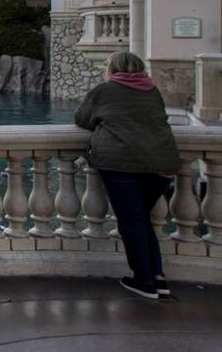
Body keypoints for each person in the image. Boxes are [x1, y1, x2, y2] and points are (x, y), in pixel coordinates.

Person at [75, 51, 180, 300]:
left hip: (122, 164)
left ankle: (143, 281)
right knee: (142, 220)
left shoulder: (104, 90)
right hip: (161, 165)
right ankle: (158, 277)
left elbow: (82, 118)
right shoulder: (152, 90)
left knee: (131, 222)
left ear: (113, 68)